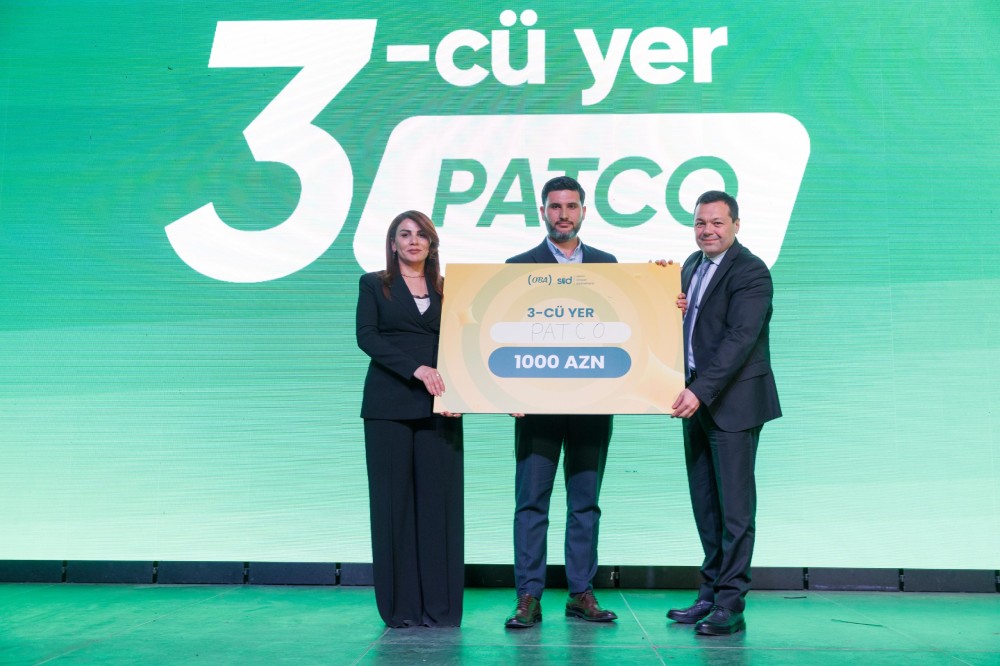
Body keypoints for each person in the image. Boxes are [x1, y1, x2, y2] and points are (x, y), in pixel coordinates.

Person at [503, 175, 618, 629]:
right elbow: (500, 332)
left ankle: (580, 593)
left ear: (584, 211)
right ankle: (528, 596)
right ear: (543, 212)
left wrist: (663, 290)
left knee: (585, 503)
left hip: (593, 403)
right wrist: (500, 389)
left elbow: (630, 322)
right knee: (531, 503)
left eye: (571, 206)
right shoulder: (517, 267)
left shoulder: (610, 266)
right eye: (555, 206)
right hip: (536, 406)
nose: (563, 214)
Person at [666, 190, 781, 636]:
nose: (708, 230)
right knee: (706, 506)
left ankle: (730, 603)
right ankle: (709, 593)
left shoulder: (751, 271)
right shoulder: (690, 266)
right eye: (700, 223)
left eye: (717, 222)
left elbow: (739, 340)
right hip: (695, 401)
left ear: (735, 225)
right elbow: (693, 329)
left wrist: (699, 391)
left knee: (735, 510)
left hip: (731, 404)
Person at [356, 210, 464, 627]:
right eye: (404, 234)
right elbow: (367, 336)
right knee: (392, 507)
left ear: (432, 243)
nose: (413, 240)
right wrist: (415, 369)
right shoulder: (373, 284)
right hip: (388, 406)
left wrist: (463, 392)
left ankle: (440, 609)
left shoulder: (449, 289)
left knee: (439, 507)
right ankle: (400, 609)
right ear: (393, 243)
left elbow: (464, 342)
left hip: (441, 406)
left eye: (421, 234)